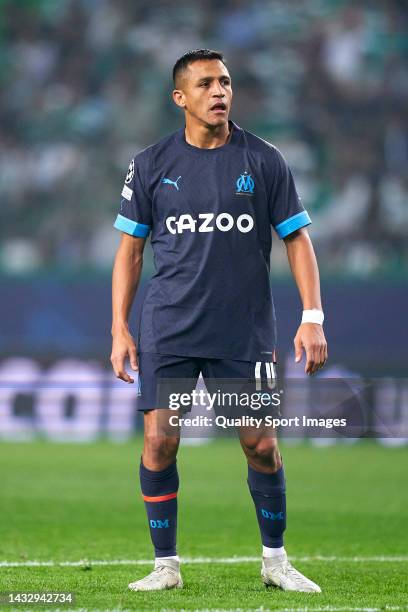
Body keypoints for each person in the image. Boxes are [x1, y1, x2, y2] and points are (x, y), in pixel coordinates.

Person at [111, 49, 327, 593]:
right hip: (171, 327)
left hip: (242, 330)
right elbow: (130, 252)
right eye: (206, 84)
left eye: (225, 82)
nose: (219, 92)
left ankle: (275, 561)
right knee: (160, 441)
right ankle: (166, 566)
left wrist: (313, 316)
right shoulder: (151, 164)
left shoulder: (264, 160)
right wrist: (119, 327)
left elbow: (296, 238)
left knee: (260, 443)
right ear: (180, 97)